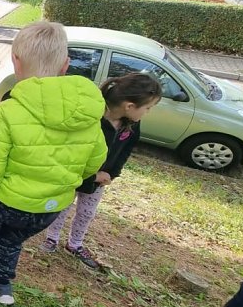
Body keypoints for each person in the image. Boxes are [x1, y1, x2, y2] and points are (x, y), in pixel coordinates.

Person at [0, 21, 107, 305]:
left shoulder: (7, 112)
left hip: (3, 201)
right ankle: (1, 284)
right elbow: (93, 162)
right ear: (65, 65)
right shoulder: (88, 115)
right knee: (11, 241)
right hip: (48, 207)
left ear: (15, 61)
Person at [40, 73, 161, 269]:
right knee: (62, 207)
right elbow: (72, 152)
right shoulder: (92, 118)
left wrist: (111, 175)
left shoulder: (131, 125)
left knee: (87, 212)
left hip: (100, 180)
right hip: (76, 177)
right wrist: (92, 176)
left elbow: (125, 151)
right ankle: (51, 238)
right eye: (148, 108)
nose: (148, 112)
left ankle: (75, 244)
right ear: (129, 106)